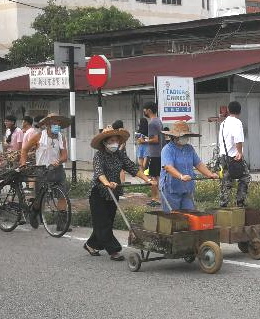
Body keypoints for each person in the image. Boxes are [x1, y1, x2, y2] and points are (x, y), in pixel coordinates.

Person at [86, 126, 155, 261]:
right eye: (111, 141)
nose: (115, 143)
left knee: (107, 221)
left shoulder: (119, 154)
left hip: (114, 191)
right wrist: (106, 183)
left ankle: (91, 244)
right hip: (98, 192)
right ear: (105, 142)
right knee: (103, 222)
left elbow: (132, 168)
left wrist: (148, 179)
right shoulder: (99, 156)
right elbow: (99, 172)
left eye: (116, 141)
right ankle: (114, 250)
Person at [20, 113, 70, 227]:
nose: (56, 125)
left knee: (63, 195)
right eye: (54, 123)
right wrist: (23, 163)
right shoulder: (39, 136)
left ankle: (61, 224)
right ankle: (34, 211)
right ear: (47, 124)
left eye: (58, 123)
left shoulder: (61, 137)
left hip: (57, 169)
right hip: (42, 170)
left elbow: (64, 155)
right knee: (40, 197)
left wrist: (59, 161)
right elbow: (24, 149)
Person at [159, 121, 218, 212]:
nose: (185, 138)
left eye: (186, 136)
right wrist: (181, 176)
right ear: (175, 137)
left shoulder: (189, 148)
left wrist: (210, 174)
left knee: (190, 213)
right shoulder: (167, 150)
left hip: (187, 187)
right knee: (173, 216)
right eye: (183, 136)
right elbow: (168, 167)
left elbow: (198, 164)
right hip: (171, 188)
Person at [218, 100, 250, 207]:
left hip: (223, 156)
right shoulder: (237, 122)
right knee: (245, 177)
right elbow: (238, 139)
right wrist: (240, 152)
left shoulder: (223, 123)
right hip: (233, 156)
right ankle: (240, 202)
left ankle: (223, 204)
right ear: (240, 111)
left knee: (226, 180)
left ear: (228, 110)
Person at [137, 102, 163, 207]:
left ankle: (155, 199)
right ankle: (158, 198)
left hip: (154, 154)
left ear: (149, 110)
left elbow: (155, 139)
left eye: (144, 109)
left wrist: (144, 141)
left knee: (153, 178)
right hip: (159, 153)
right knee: (157, 176)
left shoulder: (152, 123)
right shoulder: (158, 121)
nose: (144, 111)